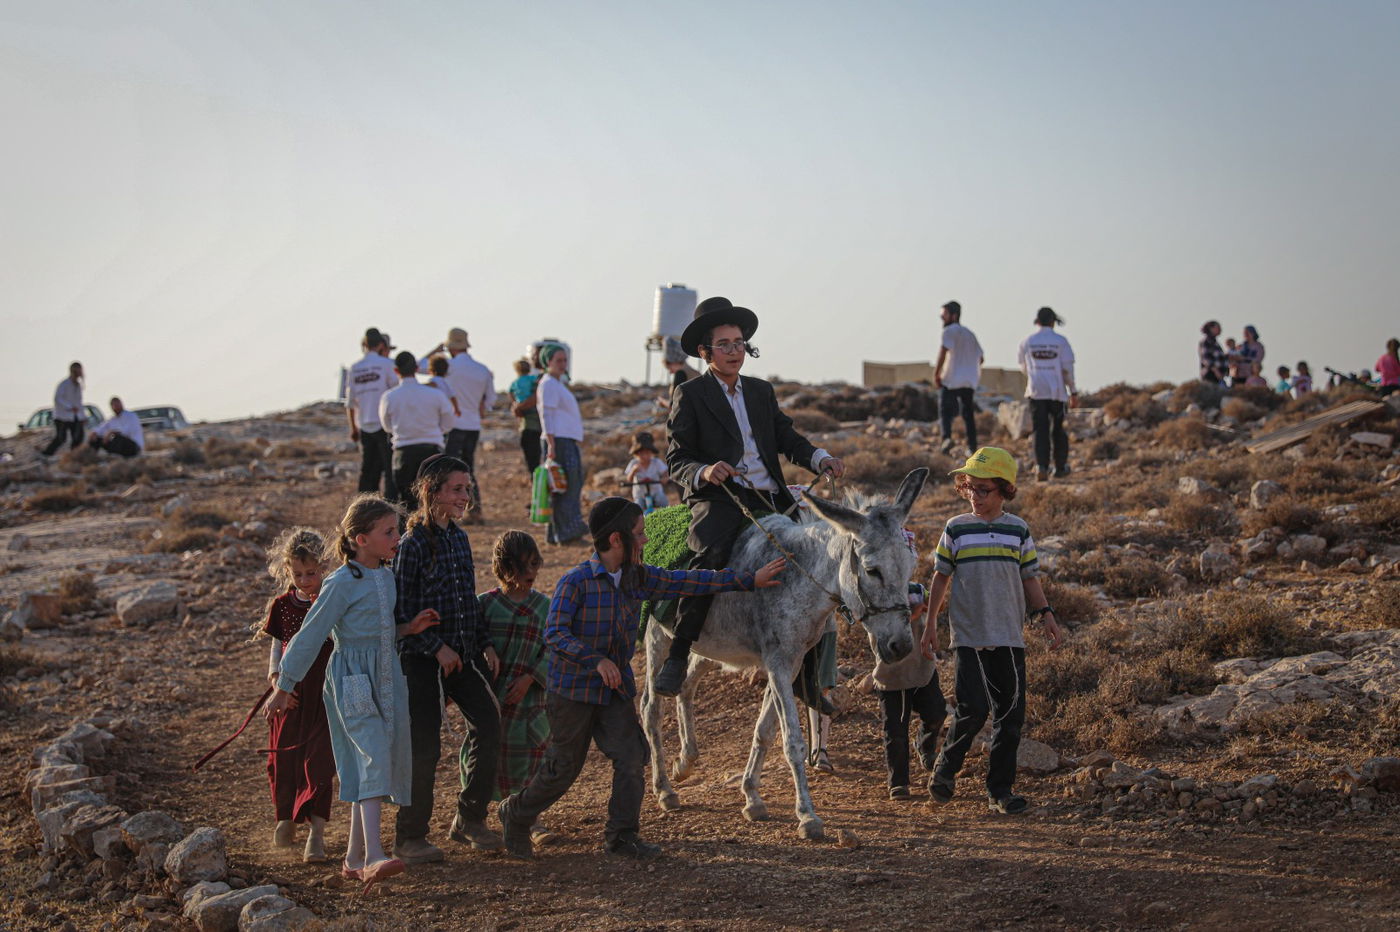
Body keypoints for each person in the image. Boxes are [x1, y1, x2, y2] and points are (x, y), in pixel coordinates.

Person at [497, 497, 788, 860]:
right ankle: (516, 813)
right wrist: (596, 661)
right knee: (563, 769)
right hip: (572, 693)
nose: (646, 540)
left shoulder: (638, 578)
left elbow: (689, 580)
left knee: (632, 757)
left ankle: (621, 836)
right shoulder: (575, 582)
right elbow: (555, 633)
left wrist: (748, 580)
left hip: (614, 691)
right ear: (616, 540)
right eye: (638, 533)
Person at [655, 296, 845, 697]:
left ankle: (811, 675)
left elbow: (787, 438)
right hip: (720, 497)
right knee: (709, 557)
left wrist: (819, 457)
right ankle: (679, 652)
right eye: (723, 344)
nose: (733, 351)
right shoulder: (690, 394)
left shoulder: (761, 391)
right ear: (705, 351)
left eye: (739, 343)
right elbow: (677, 459)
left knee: (822, 558)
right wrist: (705, 471)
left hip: (771, 497)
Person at [265, 494, 441, 892]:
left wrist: (407, 629)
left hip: (387, 677)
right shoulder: (340, 582)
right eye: (389, 532)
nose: (397, 538)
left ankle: (353, 858)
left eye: (396, 530)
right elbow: (310, 634)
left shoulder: (386, 577)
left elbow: (378, 632)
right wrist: (283, 686)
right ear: (361, 539)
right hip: (353, 680)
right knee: (372, 754)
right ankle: (374, 855)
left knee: (377, 757)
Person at [916, 447, 1065, 815]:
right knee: (973, 710)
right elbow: (940, 577)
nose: (975, 496)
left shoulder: (1018, 529)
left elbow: (1030, 577)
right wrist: (931, 623)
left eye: (983, 490)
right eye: (970, 487)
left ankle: (1000, 791)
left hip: (1009, 636)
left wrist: (1045, 612)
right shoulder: (956, 527)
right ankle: (945, 769)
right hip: (969, 636)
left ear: (1005, 490)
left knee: (1010, 716)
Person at [392, 455, 502, 863]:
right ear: (430, 491)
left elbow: (467, 599)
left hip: (464, 654)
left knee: (489, 724)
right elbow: (400, 612)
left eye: (467, 488)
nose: (465, 496)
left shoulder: (459, 538)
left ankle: (470, 819)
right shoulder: (411, 545)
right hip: (421, 659)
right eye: (457, 489)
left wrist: (485, 642)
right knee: (424, 747)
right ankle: (410, 836)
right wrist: (435, 647)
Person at [256, 527, 334, 863]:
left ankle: (316, 833)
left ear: (325, 566)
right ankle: (285, 818)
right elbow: (278, 647)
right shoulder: (282, 606)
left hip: (326, 693)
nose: (304, 581)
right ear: (287, 570)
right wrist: (278, 686)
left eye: (311, 573)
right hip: (290, 694)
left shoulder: (333, 601)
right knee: (283, 759)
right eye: (297, 574)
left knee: (319, 762)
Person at [479, 531, 555, 845]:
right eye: (522, 566)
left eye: (534, 565)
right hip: (492, 701)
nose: (530, 573)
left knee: (533, 758)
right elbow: (472, 643)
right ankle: (475, 817)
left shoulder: (544, 607)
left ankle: (530, 819)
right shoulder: (485, 605)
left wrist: (530, 678)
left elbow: (554, 649)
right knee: (487, 758)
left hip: (531, 704)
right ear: (504, 567)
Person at [876, 582, 944, 800]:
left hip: (922, 667)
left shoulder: (916, 588)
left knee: (936, 713)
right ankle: (898, 783)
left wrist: (931, 606)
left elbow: (936, 605)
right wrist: (913, 614)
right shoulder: (878, 593)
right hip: (892, 672)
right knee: (895, 730)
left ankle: (924, 744)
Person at [424, 328, 495, 521]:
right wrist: (480, 406)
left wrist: (435, 351)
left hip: (452, 424)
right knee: (467, 468)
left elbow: (417, 367)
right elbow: (490, 399)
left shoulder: (446, 366)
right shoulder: (482, 370)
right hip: (473, 424)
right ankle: (475, 509)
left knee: (447, 469)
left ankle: (446, 508)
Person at [379, 352, 454, 513]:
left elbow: (387, 426)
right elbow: (448, 421)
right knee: (434, 499)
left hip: (403, 451)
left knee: (407, 502)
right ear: (417, 368)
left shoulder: (389, 397)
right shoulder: (435, 394)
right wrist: (435, 431)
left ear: (396, 371)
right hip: (432, 450)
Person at [1016, 307, 1077, 482]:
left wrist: (1036, 376)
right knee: (1058, 429)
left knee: (1039, 429)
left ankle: (1041, 466)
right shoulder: (1061, 341)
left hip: (1036, 391)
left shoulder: (1027, 342)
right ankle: (1060, 467)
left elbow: (1023, 367)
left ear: (1037, 321)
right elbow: (1067, 369)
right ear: (1053, 321)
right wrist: (1073, 391)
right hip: (1057, 392)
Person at [537, 343, 588, 545]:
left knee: (563, 486)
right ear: (548, 362)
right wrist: (551, 443)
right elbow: (546, 414)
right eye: (558, 360)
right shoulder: (548, 384)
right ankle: (568, 533)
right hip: (558, 440)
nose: (562, 364)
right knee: (566, 487)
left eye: (564, 360)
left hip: (565, 439)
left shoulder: (556, 384)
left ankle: (556, 533)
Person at [346, 328, 400, 501]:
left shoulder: (355, 368)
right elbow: (396, 391)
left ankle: (365, 506)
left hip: (364, 423)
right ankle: (391, 505)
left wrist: (353, 428)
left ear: (364, 344)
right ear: (382, 345)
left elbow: (350, 402)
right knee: (389, 470)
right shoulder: (386, 364)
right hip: (385, 424)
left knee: (368, 469)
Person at [934, 300, 983, 455]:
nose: (942, 318)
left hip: (951, 379)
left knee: (945, 410)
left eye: (944, 314)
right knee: (968, 414)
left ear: (954, 316)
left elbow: (943, 353)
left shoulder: (948, 331)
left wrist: (937, 373)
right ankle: (972, 446)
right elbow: (981, 358)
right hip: (969, 380)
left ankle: (946, 438)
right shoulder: (970, 334)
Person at [507, 358, 543, 478]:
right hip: (533, 419)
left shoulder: (515, 382)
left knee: (531, 458)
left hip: (527, 422)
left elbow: (510, 393)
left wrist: (516, 405)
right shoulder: (533, 379)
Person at [41, 362, 85, 456]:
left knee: (78, 436)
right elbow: (58, 398)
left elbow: (79, 402)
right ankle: (47, 454)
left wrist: (82, 416)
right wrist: (69, 407)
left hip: (74, 416)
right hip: (61, 416)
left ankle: (74, 455)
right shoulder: (64, 384)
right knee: (61, 438)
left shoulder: (78, 385)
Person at [623, 433, 669, 513]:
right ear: (636, 454)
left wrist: (665, 478)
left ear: (651, 453)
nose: (645, 456)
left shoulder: (656, 462)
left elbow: (665, 472)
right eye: (641, 453)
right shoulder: (634, 463)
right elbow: (629, 479)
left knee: (664, 502)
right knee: (637, 508)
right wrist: (633, 471)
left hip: (656, 492)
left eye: (647, 453)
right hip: (640, 494)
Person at [658, 336, 699, 410]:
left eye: (669, 368)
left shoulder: (681, 374)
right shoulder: (697, 374)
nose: (670, 372)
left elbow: (674, 405)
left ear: (674, 362)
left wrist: (662, 402)